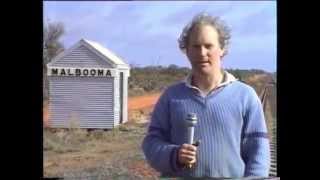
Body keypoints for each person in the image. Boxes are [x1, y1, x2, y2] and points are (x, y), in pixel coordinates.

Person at [142, 12, 270, 178]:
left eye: (208, 46)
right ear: (186, 51)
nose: (202, 53)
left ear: (222, 49)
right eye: (195, 46)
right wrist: (175, 154)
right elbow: (151, 143)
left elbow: (258, 151)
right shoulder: (171, 96)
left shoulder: (245, 96)